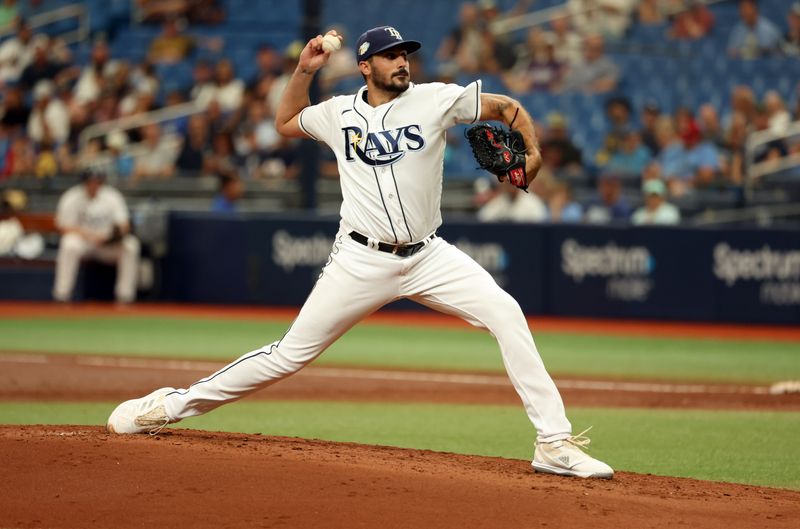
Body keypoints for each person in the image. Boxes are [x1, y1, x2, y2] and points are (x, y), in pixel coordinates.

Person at [106, 25, 614, 480]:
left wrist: (532, 149)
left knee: (506, 312)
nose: (402, 61)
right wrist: (304, 71)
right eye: (391, 55)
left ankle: (553, 443)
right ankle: (169, 405)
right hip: (360, 259)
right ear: (366, 66)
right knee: (287, 355)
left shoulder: (434, 99)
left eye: (406, 54)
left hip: (427, 255)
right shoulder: (337, 114)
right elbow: (286, 121)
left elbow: (505, 107)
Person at [52, 170, 140, 303]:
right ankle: (62, 295)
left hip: (106, 244)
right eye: (90, 182)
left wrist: (113, 236)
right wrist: (90, 235)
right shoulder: (72, 196)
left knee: (131, 245)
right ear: (84, 182)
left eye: (97, 181)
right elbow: (63, 227)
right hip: (83, 242)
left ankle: (125, 296)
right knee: (69, 244)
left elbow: (124, 224)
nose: (94, 185)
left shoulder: (112, 196)